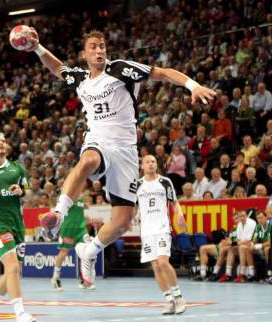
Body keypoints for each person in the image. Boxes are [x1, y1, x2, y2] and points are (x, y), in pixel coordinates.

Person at [28, 29, 215, 276]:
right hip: (98, 140)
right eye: (93, 47)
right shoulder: (81, 78)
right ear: (84, 53)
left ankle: (89, 251)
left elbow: (163, 73)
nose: (99, 51)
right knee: (88, 160)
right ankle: (58, 213)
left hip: (126, 150)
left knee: (122, 222)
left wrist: (193, 85)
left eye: (102, 46)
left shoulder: (121, 69)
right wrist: (37, 48)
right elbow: (57, 68)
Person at [0, 133, 35, 322]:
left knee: (13, 271)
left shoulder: (17, 168)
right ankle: (20, 314)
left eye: (3, 141)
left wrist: (21, 191)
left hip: (17, 225)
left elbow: (29, 192)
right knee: (13, 268)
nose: (2, 143)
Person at [136, 155, 188, 315]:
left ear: (156, 165)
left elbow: (175, 202)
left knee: (163, 262)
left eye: (153, 162)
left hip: (162, 228)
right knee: (156, 266)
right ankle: (169, 300)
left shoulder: (165, 182)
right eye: (147, 162)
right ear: (142, 166)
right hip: (146, 231)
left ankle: (179, 297)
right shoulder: (137, 185)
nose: (151, 164)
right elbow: (132, 208)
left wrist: (180, 215)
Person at [50, 193, 100, 291]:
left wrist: (84, 210)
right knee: (64, 252)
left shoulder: (81, 198)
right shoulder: (65, 198)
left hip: (81, 229)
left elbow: (81, 209)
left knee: (87, 252)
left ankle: (85, 280)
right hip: (68, 229)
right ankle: (55, 277)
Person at [239, 211, 271, 281]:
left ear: (266, 218)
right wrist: (252, 244)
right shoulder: (258, 226)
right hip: (261, 247)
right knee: (248, 248)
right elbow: (254, 239)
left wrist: (259, 246)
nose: (260, 220)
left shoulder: (271, 225)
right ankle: (252, 273)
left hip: (271, 247)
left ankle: (269, 273)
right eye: (258, 218)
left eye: (261, 218)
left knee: (267, 249)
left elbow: (271, 242)